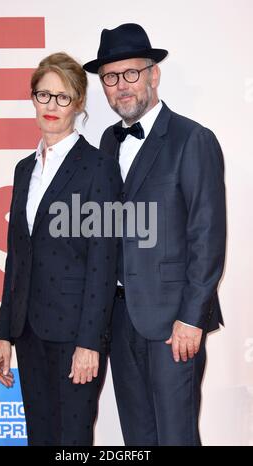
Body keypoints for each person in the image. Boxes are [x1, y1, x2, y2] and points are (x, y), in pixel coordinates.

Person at [83, 23, 226, 446]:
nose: (121, 86)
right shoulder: (107, 143)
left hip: (173, 322)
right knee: (137, 440)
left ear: (153, 74)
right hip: (120, 319)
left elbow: (207, 235)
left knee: (176, 437)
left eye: (131, 73)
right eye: (111, 76)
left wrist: (191, 317)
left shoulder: (192, 139)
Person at [0, 52, 122, 446]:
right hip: (29, 331)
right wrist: (3, 335)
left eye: (62, 97)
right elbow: (18, 258)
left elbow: (103, 260)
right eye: (43, 95)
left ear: (79, 103)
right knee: (41, 438)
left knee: (72, 442)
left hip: (74, 336)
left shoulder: (99, 168)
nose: (51, 106)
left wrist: (89, 343)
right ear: (32, 98)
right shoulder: (23, 169)